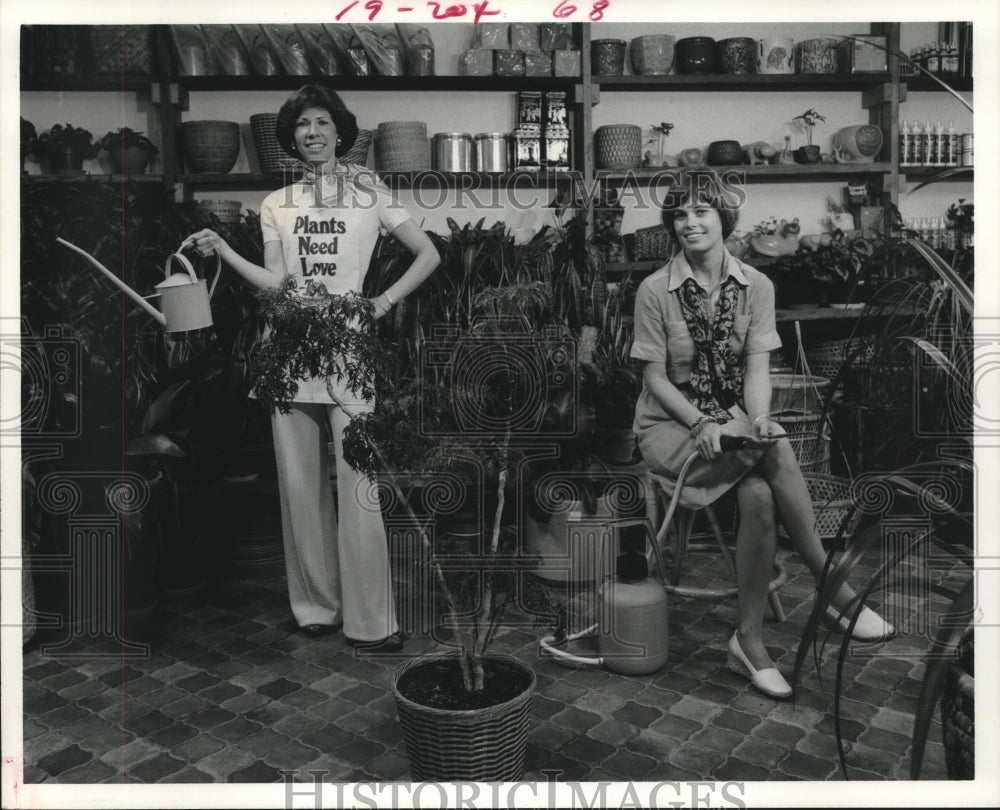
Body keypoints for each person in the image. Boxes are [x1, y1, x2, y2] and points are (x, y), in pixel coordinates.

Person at [185, 85, 439, 650]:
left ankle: (373, 619)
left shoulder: (370, 190)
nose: (313, 132)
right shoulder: (278, 203)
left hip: (350, 350)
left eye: (323, 122)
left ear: (341, 131)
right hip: (288, 351)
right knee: (300, 486)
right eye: (303, 124)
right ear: (291, 137)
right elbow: (278, 284)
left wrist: (381, 303)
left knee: (360, 483)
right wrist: (226, 252)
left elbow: (429, 254)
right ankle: (316, 607)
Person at [630, 173, 893, 699]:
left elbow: (756, 367)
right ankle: (831, 586)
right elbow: (655, 378)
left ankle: (748, 641)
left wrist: (758, 417)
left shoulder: (757, 284)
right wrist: (701, 422)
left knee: (758, 488)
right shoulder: (655, 290)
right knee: (775, 452)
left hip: (731, 418)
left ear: (724, 218)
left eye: (701, 212)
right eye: (679, 215)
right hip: (669, 425)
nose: (690, 223)